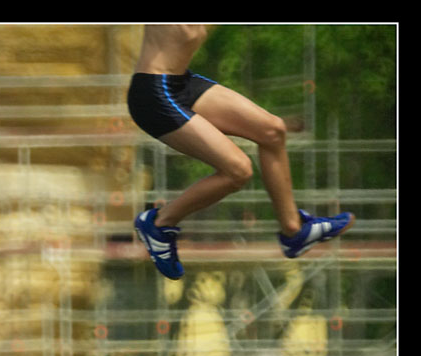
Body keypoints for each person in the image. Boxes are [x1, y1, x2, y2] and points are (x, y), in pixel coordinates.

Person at [129, 25, 354, 280]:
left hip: (181, 84)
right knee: (238, 170)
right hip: (153, 94)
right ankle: (159, 223)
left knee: (273, 131)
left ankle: (295, 231)